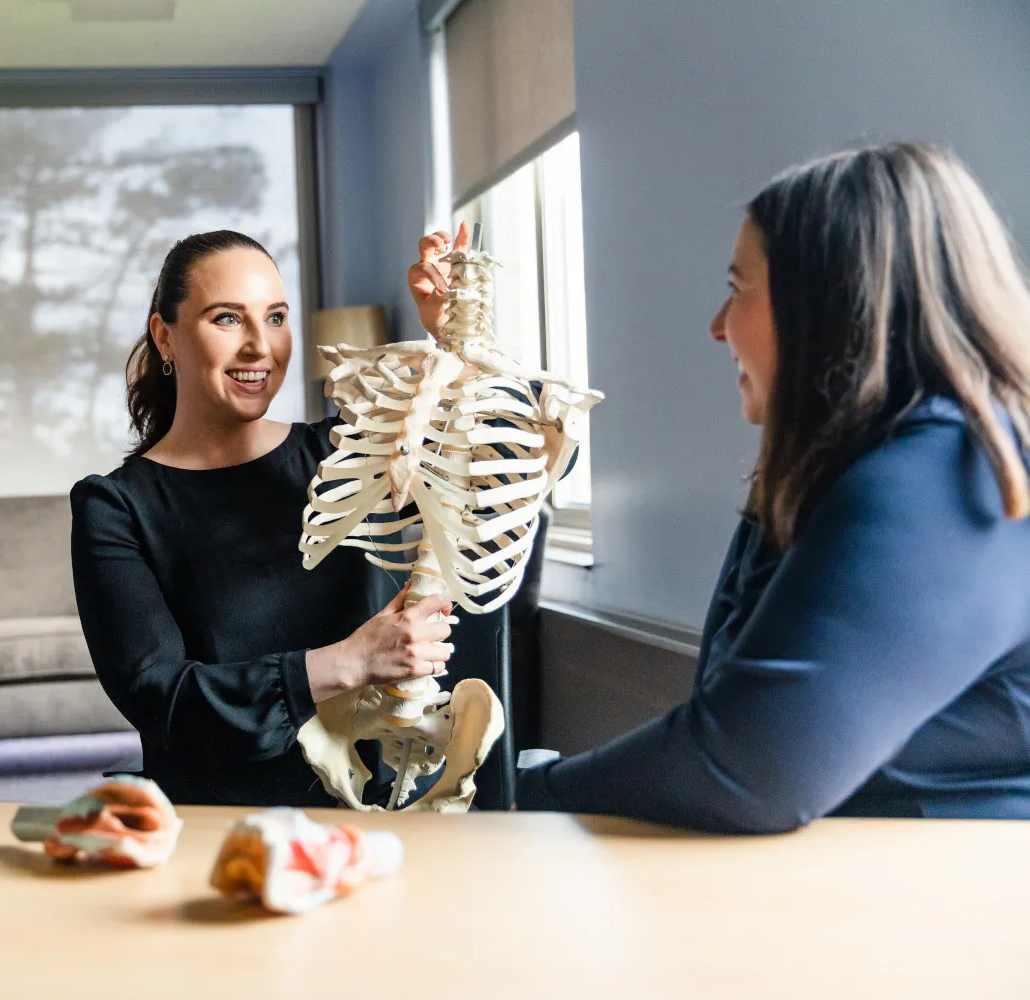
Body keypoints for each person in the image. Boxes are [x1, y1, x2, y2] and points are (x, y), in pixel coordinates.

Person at [498, 143, 1030, 831]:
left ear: (829, 300)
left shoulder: (945, 475)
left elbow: (747, 762)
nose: (717, 328)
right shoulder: (854, 464)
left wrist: (524, 795)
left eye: (737, 286)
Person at [70, 230, 456, 806]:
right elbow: (163, 699)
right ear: (164, 336)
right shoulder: (114, 508)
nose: (259, 346)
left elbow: (528, 460)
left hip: (378, 816)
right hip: (222, 824)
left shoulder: (351, 452)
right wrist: (350, 662)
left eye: (275, 317)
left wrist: (456, 337)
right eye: (227, 319)